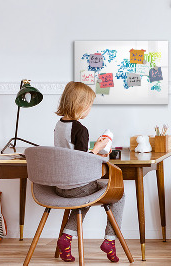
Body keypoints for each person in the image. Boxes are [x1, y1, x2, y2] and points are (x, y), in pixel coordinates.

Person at [54, 81, 124, 263]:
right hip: (77, 186)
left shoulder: (59, 125)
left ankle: (66, 238)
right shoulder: (80, 129)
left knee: (84, 198)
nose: (89, 109)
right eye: (89, 105)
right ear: (80, 105)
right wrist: (98, 149)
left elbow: (71, 154)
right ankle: (110, 240)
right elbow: (81, 161)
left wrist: (93, 149)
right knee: (119, 194)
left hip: (60, 186)